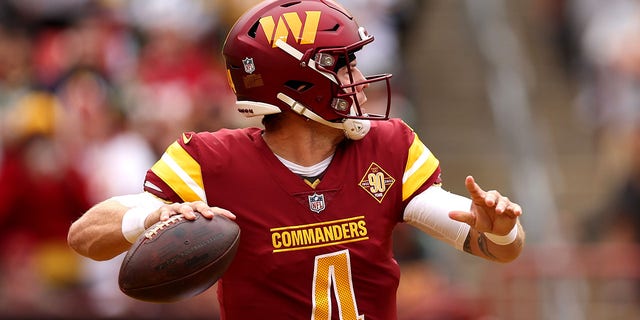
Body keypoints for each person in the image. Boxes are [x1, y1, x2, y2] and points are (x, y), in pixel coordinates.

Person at [67, 0, 525, 319]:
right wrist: (157, 216)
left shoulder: (388, 148)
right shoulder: (212, 161)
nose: (361, 80)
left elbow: (493, 245)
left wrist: (502, 229)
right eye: (344, 65)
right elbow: (85, 237)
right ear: (298, 84)